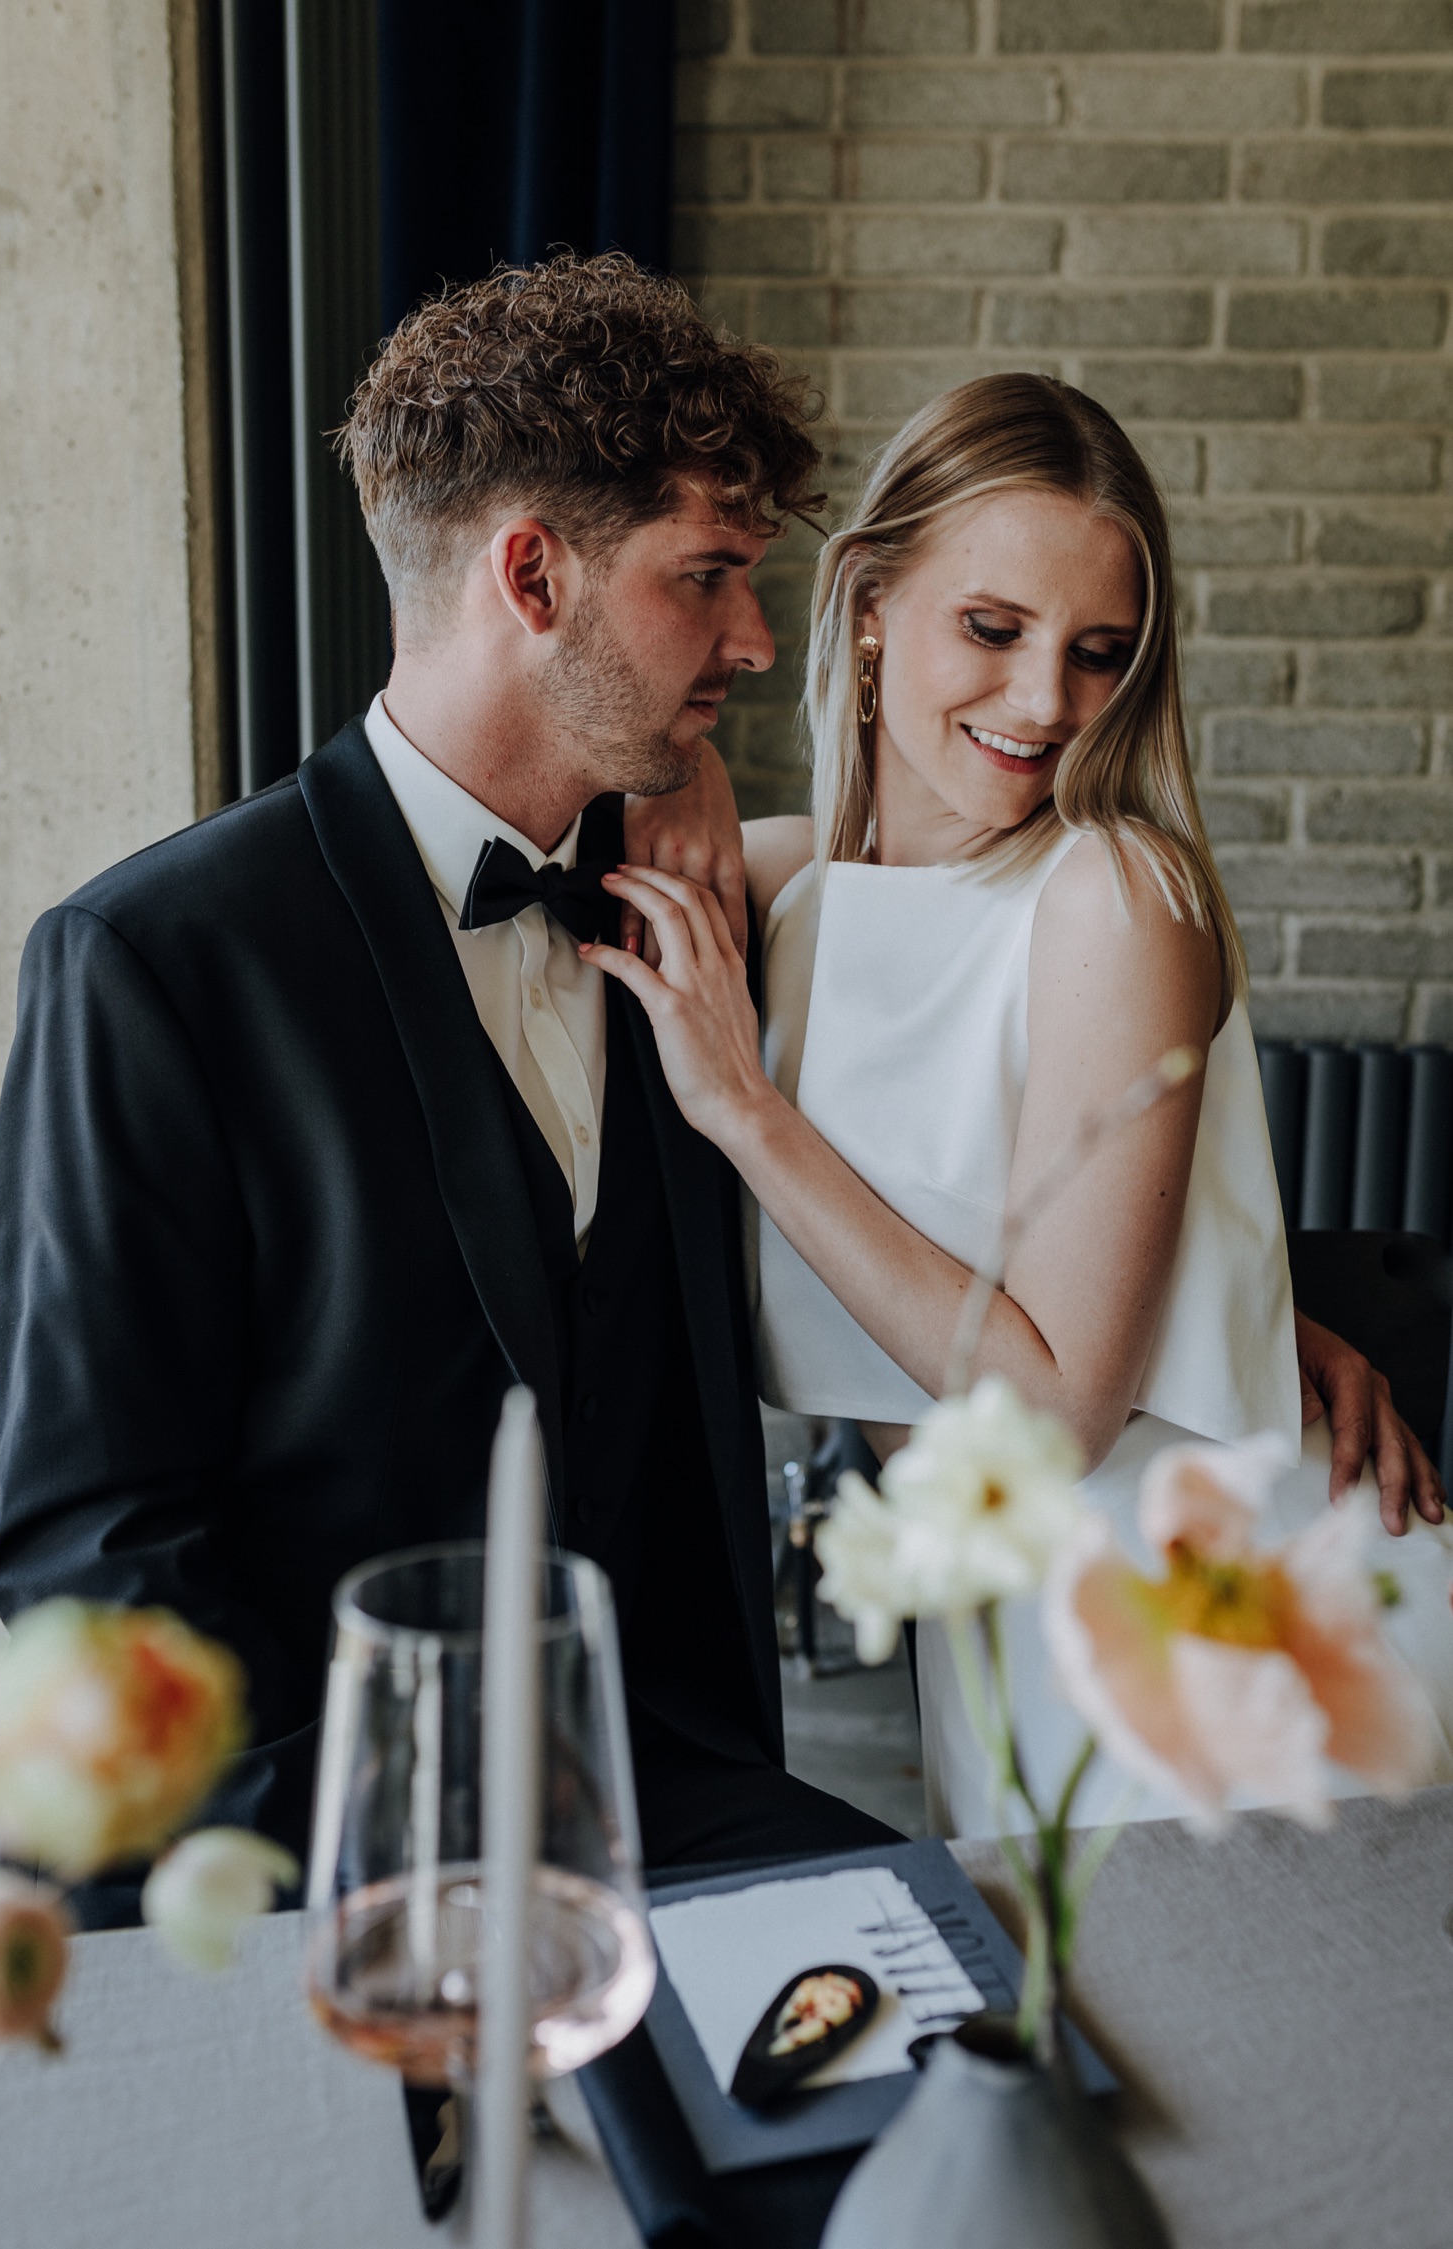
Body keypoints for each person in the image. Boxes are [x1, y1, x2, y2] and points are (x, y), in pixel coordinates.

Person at [0, 254, 905, 1899]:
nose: (757, 642)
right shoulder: (153, 962)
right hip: (327, 1844)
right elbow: (94, 1547)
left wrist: (1265, 1322)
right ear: (532, 575)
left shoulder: (692, 899)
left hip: (669, 1789)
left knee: (989, 2041)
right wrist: (371, 1857)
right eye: (706, 577)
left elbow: (969, 1134)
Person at [583, 373, 1450, 1836]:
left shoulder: (1118, 888)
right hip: (1004, 1644)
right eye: (993, 629)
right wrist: (691, 759)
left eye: (1101, 654)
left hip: (1225, 1636)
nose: (1047, 701)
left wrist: (749, 1112)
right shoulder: (786, 893)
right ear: (868, 601)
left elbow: (1052, 1409)